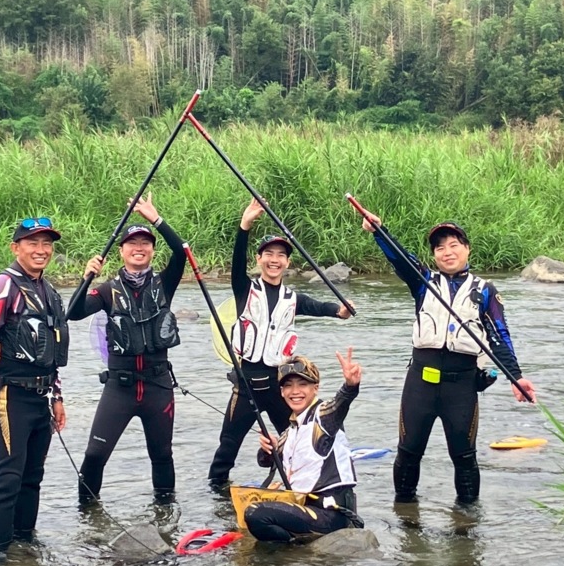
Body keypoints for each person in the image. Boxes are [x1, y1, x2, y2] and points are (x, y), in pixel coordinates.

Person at [358, 211, 537, 504]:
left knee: (464, 456)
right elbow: (400, 258)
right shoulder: (423, 281)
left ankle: (466, 525)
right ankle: (406, 518)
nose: (447, 252)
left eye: (453, 244)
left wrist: (516, 378)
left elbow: (499, 336)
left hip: (462, 387)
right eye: (439, 247)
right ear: (434, 255)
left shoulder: (485, 291)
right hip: (420, 384)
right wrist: (379, 231)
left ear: (467, 249)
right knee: (408, 451)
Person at [208, 198, 354, 487]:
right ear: (260, 259)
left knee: (295, 439)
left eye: (280, 256)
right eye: (269, 255)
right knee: (228, 446)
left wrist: (340, 311)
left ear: (287, 262)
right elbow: (237, 264)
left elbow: (319, 306)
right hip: (247, 384)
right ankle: (218, 494)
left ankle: (297, 483)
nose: (274, 260)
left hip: (278, 386)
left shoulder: (292, 298)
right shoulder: (245, 289)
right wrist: (245, 226)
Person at [68, 192, 185, 503]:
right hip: (119, 388)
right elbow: (73, 313)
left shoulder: (164, 283)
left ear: (151, 251)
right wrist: (86, 278)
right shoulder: (106, 291)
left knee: (162, 456)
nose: (139, 248)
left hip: (158, 385)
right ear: (121, 251)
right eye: (132, 244)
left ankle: (165, 517)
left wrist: (155, 219)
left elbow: (181, 251)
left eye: (145, 244)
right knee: (95, 454)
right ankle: (87, 516)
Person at [0, 216, 69, 554]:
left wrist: (57, 397)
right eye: (33, 243)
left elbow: (51, 354)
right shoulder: (3, 284)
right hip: (11, 396)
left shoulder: (50, 291)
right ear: (16, 248)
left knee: (33, 476)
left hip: (42, 397)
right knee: (10, 478)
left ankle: (25, 542)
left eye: (47, 244)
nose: (41, 250)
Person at [244, 348, 363, 542]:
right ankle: (294, 550)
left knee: (256, 513)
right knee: (247, 501)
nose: (295, 391)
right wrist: (269, 448)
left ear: (315, 388)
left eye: (303, 384)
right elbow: (265, 461)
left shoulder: (323, 417)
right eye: (288, 386)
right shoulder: (290, 431)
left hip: (332, 514)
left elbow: (339, 406)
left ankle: (292, 547)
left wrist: (350, 386)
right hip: (305, 508)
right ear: (281, 392)